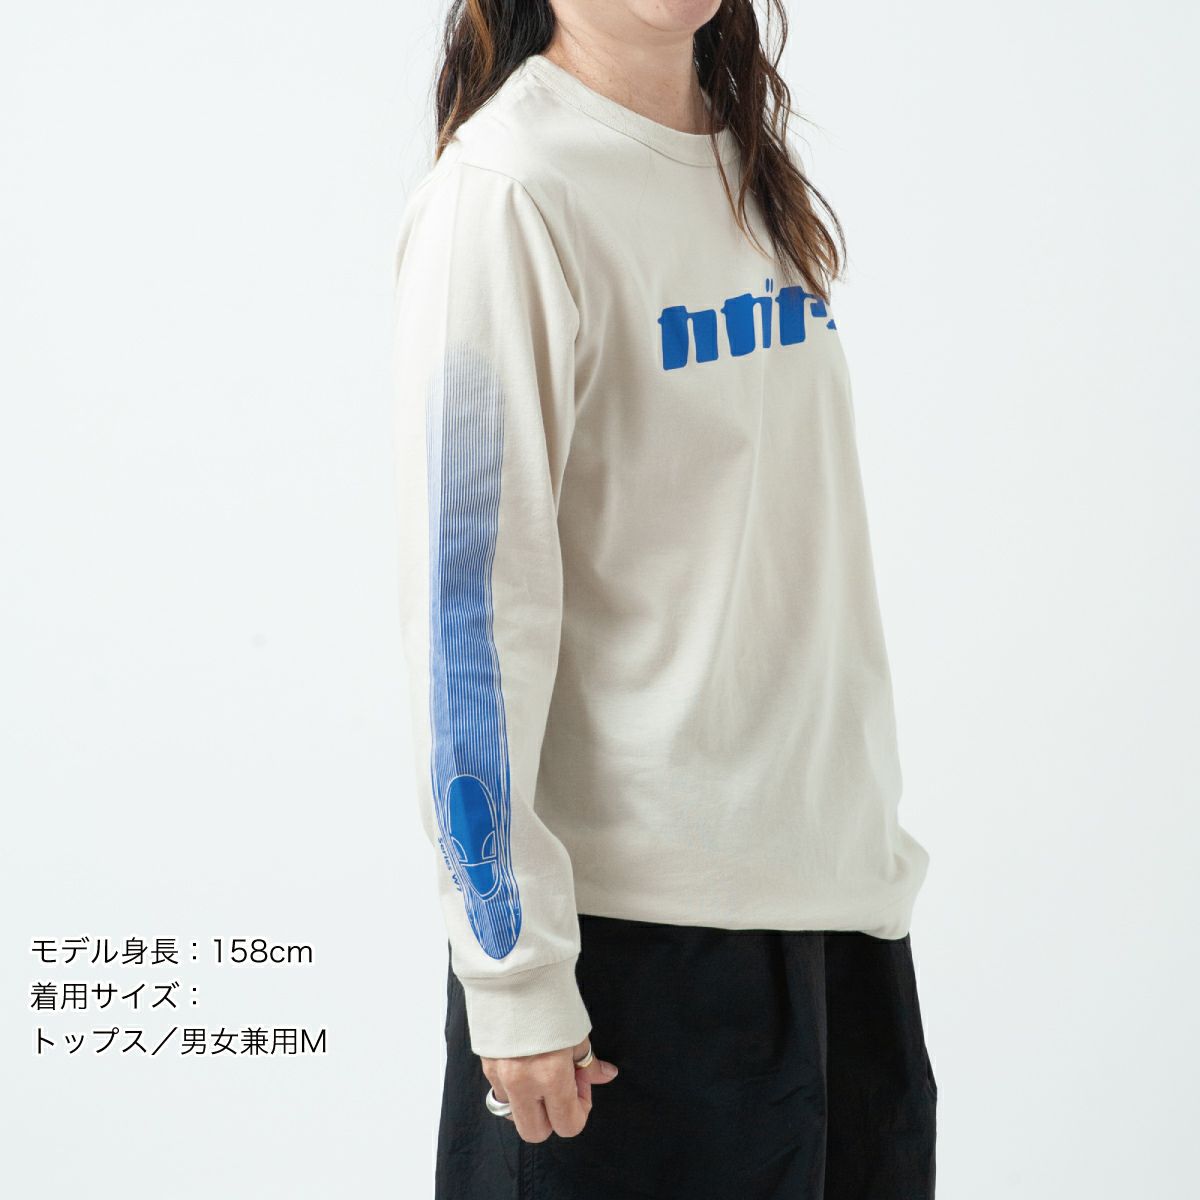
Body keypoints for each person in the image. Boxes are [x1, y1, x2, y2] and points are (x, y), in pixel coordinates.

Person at [390, 2, 936, 1196]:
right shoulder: (510, 192)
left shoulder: (744, 162)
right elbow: (472, 616)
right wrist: (514, 973)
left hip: (837, 925)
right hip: (629, 967)